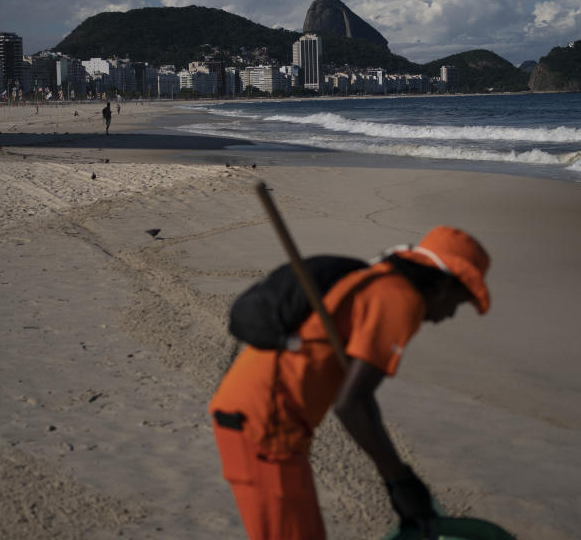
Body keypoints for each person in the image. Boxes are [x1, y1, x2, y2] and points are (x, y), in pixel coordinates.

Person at [209, 226, 491, 540]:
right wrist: (399, 480)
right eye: (460, 300)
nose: (452, 313)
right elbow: (351, 404)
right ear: (443, 285)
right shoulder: (400, 300)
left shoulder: (381, 283)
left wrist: (398, 481)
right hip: (264, 427)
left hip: (271, 424)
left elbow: (360, 397)